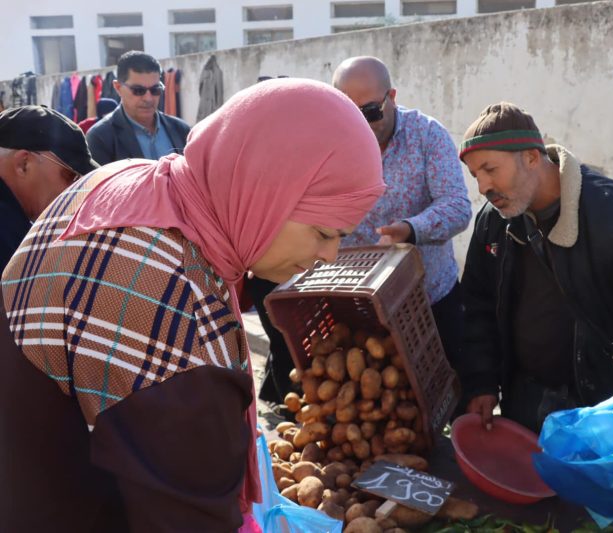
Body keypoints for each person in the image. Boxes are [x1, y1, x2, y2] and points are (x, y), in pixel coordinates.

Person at [0, 79, 384, 532]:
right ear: (262, 189)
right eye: (324, 233)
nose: (330, 255)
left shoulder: (130, 180)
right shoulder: (176, 315)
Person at [458, 102, 613, 439]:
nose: (483, 187)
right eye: (476, 175)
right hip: (525, 402)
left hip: (602, 408)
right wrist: (481, 382)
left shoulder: (611, 214)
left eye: (491, 169)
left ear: (532, 157)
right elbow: (478, 305)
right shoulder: (495, 221)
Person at [245, 56, 472, 405]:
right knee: (375, 402)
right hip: (356, 304)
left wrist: (410, 229)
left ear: (392, 96)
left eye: (370, 112)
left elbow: (457, 207)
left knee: (447, 392)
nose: (360, 125)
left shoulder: (428, 135)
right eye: (349, 113)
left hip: (429, 297)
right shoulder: (326, 143)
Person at [0, 105, 98, 270]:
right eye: (71, 177)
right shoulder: (6, 228)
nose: (77, 190)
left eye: (83, 181)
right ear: (24, 164)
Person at [87, 51, 190, 165]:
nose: (148, 98)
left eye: (155, 89)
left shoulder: (181, 129)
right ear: (118, 87)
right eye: (138, 90)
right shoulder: (101, 137)